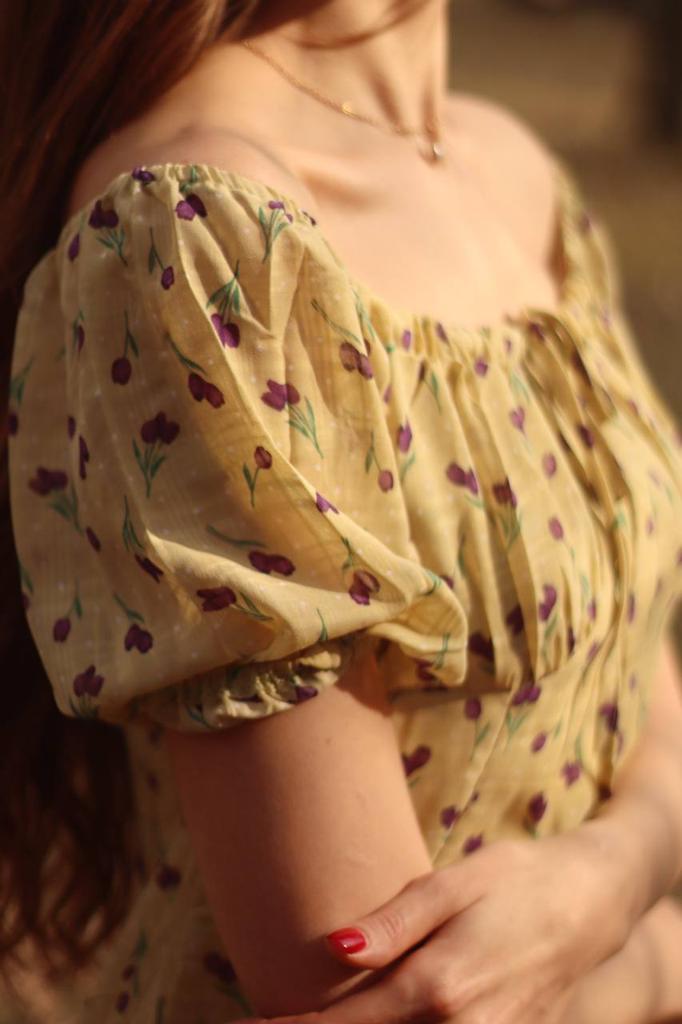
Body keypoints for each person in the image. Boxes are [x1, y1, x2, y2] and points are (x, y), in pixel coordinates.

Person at [2, 1, 682, 1021]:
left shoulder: (514, 177)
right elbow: (383, 997)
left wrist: (612, 878)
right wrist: (662, 952)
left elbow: (645, 689)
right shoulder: (198, 236)